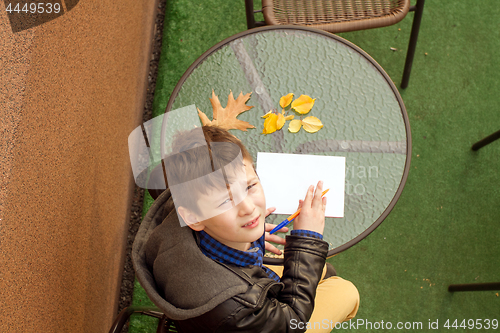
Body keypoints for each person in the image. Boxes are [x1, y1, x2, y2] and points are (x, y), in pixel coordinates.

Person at [143, 125, 359, 332]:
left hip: (233, 299)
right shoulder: (234, 307)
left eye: (249, 186)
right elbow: (291, 323)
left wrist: (239, 234)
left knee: (320, 270)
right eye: (225, 202)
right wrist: (306, 239)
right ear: (194, 218)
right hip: (246, 315)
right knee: (346, 292)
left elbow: (157, 183)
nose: (248, 208)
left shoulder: (186, 204)